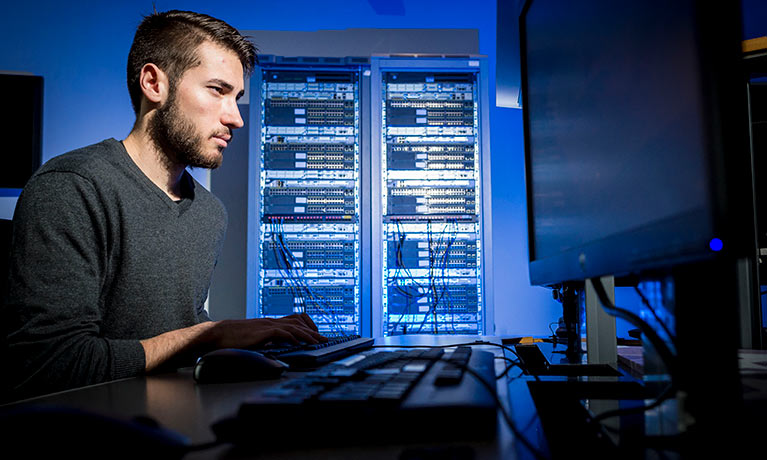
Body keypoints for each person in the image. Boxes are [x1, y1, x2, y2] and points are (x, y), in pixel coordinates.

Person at [1, 10, 325, 401]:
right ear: (154, 83)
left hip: (181, 421)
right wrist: (210, 335)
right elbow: (49, 364)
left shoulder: (208, 212)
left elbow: (178, 331)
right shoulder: (72, 189)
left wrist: (242, 342)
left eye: (236, 97)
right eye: (217, 90)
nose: (236, 117)